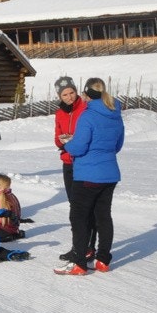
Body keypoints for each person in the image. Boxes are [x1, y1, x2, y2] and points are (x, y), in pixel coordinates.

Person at [56, 77, 124, 275]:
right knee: (103, 216)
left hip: (87, 173)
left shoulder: (88, 115)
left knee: (78, 216)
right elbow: (117, 145)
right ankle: (103, 260)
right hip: (110, 173)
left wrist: (68, 144)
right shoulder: (115, 114)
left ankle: (79, 262)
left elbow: (79, 147)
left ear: (86, 94)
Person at [52, 76, 93, 261]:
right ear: (59, 96)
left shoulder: (85, 108)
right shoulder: (59, 113)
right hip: (68, 162)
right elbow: (57, 137)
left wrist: (75, 141)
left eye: (71, 92)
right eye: (65, 94)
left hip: (83, 162)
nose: (69, 97)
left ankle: (88, 246)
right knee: (74, 206)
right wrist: (63, 141)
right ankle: (79, 246)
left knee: (85, 206)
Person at [0, 174, 24, 241]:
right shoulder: (12, 196)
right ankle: (12, 234)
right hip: (13, 228)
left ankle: (6, 236)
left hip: (2, 229)